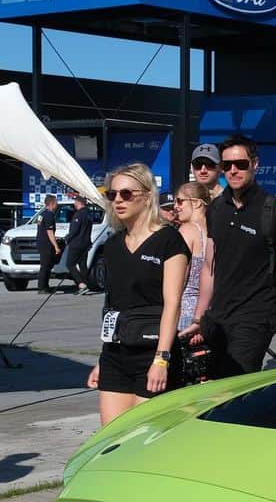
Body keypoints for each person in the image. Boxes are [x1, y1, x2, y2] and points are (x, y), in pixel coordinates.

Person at [181, 136, 276, 377]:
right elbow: (208, 268)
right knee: (211, 384)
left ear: (255, 164)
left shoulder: (273, 210)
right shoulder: (216, 209)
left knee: (232, 382)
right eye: (226, 165)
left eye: (241, 164)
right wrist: (199, 318)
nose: (233, 171)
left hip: (256, 316)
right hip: (218, 316)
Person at [88, 163, 189, 427]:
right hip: (116, 354)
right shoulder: (112, 245)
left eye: (126, 194)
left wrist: (162, 358)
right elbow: (112, 306)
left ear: (146, 196)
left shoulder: (169, 240)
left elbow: (173, 304)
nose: (118, 200)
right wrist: (103, 358)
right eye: (112, 195)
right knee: (110, 440)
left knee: (141, 437)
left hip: (152, 350)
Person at [175, 182, 211, 334]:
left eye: (180, 201)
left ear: (196, 203)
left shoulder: (187, 230)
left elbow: (178, 280)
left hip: (184, 313)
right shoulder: (213, 231)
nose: (176, 206)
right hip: (207, 312)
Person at [66, 195, 94, 294]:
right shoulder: (89, 214)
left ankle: (81, 284)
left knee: (70, 264)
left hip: (77, 243)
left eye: (75, 202)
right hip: (86, 244)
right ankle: (85, 285)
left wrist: (67, 238)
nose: (74, 204)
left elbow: (74, 230)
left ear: (79, 202)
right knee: (82, 265)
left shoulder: (79, 214)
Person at [36, 194, 61, 293]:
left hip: (41, 242)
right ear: (51, 203)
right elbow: (49, 232)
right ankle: (42, 287)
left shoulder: (41, 214)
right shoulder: (50, 215)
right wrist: (56, 246)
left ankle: (45, 286)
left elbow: (40, 228)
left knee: (46, 265)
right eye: (56, 203)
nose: (57, 205)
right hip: (46, 243)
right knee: (45, 266)